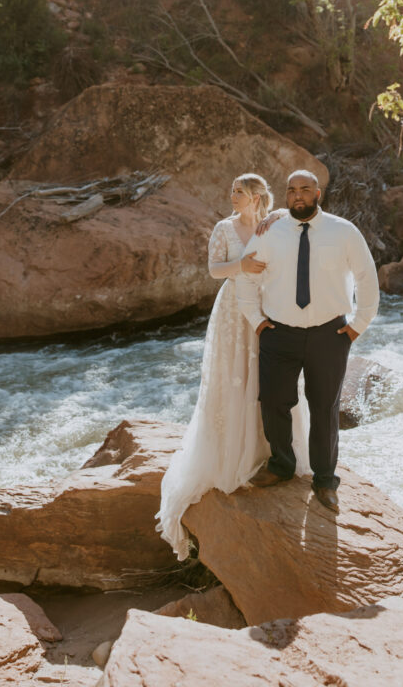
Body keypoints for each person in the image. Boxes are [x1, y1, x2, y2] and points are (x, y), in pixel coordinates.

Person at [156, 172, 309, 560]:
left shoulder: (273, 222)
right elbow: (214, 270)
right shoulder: (224, 228)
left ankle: (275, 451)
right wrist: (241, 264)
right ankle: (234, 455)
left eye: (238, 192)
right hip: (232, 312)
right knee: (235, 378)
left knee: (271, 378)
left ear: (256, 197)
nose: (232, 196)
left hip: (269, 305)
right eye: (232, 191)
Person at [235, 169, 379, 514]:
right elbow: (247, 277)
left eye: (305, 189)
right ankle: (281, 466)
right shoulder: (269, 231)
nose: (298, 195)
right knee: (272, 402)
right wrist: (257, 322)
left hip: (329, 335)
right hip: (278, 334)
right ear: (285, 196)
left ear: (318, 194)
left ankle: (325, 481)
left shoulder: (344, 232)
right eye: (291, 190)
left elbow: (366, 276)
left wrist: (359, 325)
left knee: (325, 409)